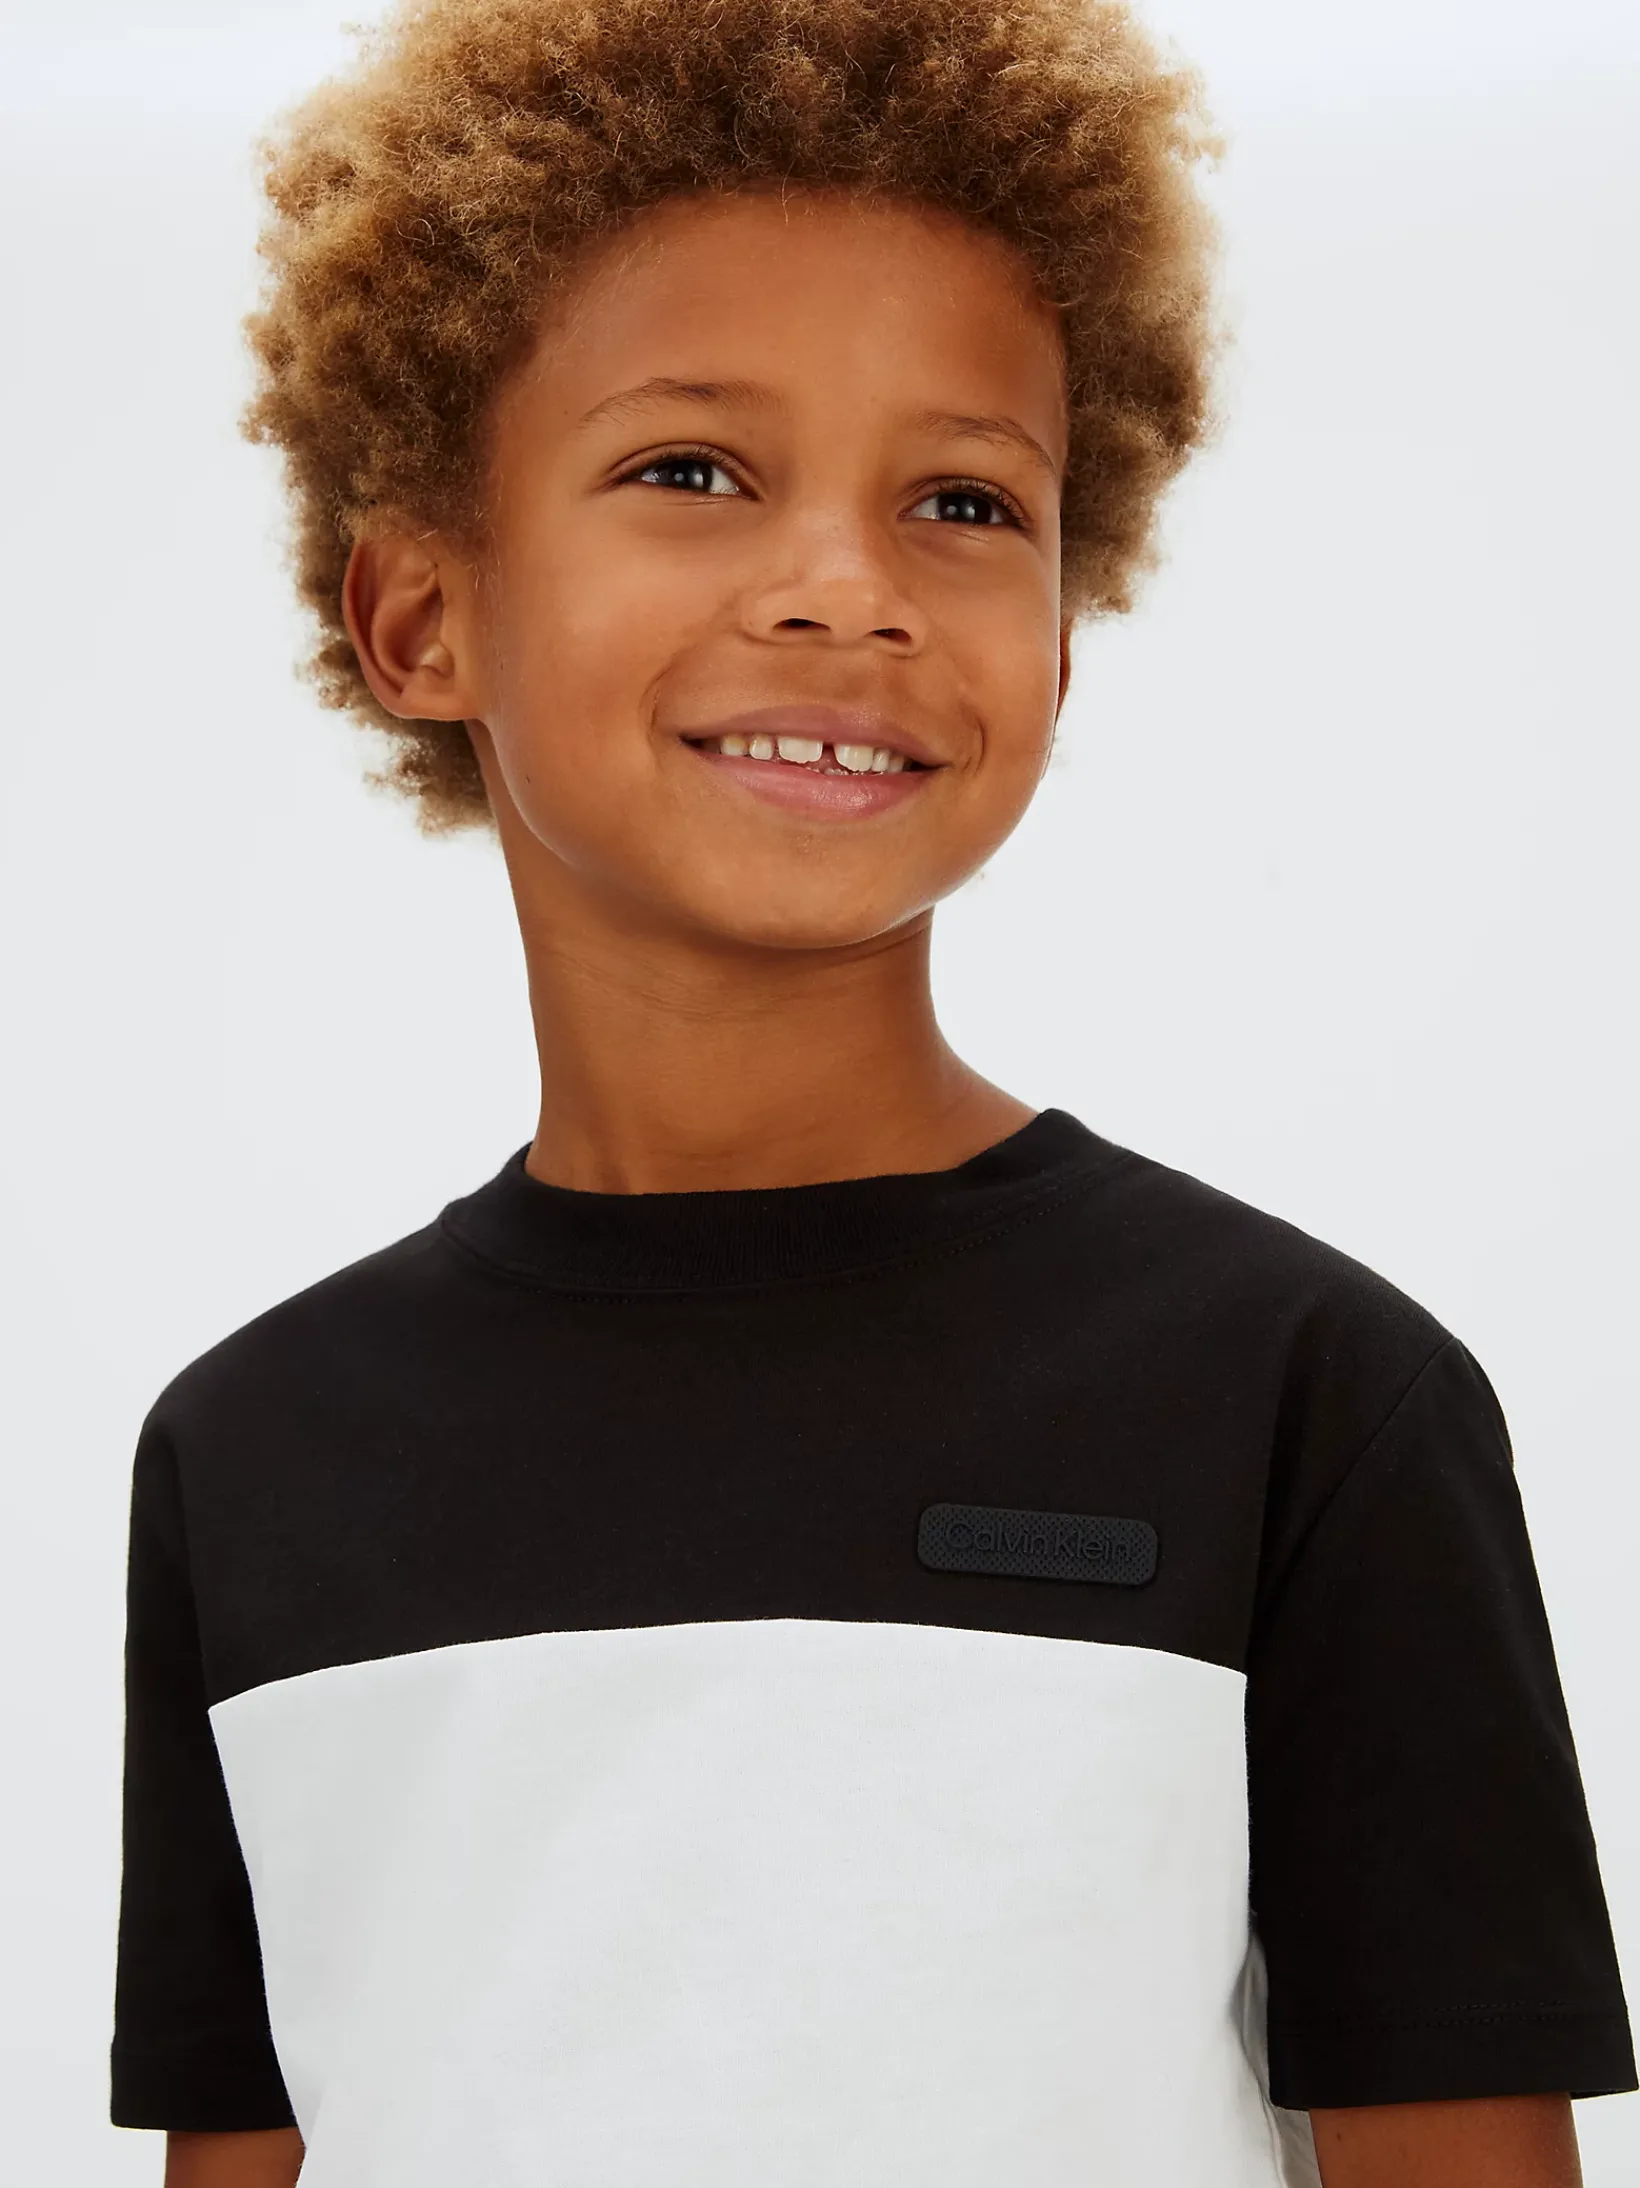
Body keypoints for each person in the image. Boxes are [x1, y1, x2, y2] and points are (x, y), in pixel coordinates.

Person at [109, 1, 1634, 2183]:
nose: (849, 589)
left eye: (962, 502)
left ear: (1061, 639)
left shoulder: (1307, 1399)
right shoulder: (255, 1455)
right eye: (691, 470)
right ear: (420, 613)